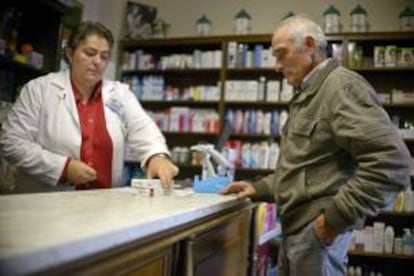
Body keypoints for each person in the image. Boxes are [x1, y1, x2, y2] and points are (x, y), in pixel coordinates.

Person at [221, 15, 410, 276]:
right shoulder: (307, 93)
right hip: (297, 232)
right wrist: (259, 187)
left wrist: (332, 222)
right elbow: (305, 167)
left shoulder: (341, 87)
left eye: (281, 54)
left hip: (316, 235)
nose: (276, 66)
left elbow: (392, 162)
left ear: (310, 45)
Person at [0, 21, 178, 193]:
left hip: (103, 205)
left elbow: (142, 127)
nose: (97, 61)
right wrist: (63, 168)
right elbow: (12, 142)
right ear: (70, 54)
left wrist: (157, 157)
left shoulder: (119, 94)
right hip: (48, 204)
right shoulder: (39, 89)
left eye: (104, 56)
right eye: (90, 53)